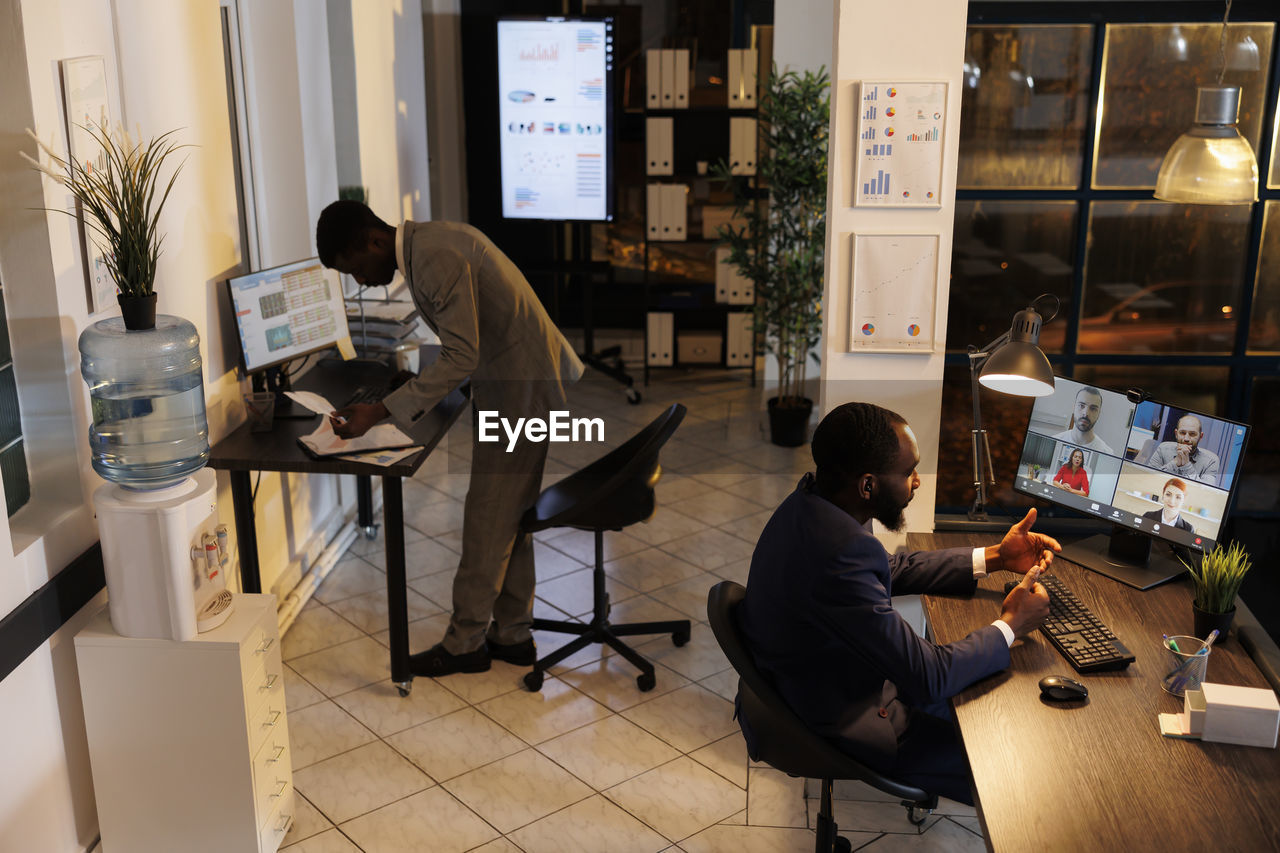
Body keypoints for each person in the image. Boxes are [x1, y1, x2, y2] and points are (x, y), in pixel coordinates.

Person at [738, 402, 1056, 805]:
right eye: (908, 473)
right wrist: (1011, 624)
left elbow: (889, 567)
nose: (917, 482)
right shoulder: (838, 553)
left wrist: (996, 557)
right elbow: (929, 675)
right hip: (844, 721)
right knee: (1019, 772)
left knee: (993, 697)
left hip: (817, 686)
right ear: (868, 486)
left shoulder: (815, 503)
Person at [315, 201, 583, 677]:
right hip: (517, 381)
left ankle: (466, 644)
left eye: (356, 268)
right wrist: (405, 391)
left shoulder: (433, 257)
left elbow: (462, 354)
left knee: (487, 516)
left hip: (520, 389)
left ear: (375, 242)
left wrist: (380, 411)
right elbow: (468, 338)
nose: (359, 280)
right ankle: (513, 633)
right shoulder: (426, 244)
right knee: (508, 514)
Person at [1146, 414, 1220, 486]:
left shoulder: (1211, 461)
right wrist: (1175, 462)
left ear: (1200, 436)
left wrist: (1186, 465)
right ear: (1176, 434)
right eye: (1182, 433)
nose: (1186, 439)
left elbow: (1206, 491)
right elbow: (1148, 478)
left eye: (1192, 434)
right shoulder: (1163, 448)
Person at [1051, 386, 1115, 455]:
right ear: (1074, 407)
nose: (1086, 413)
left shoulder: (1107, 453)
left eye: (1093, 409)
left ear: (1099, 413)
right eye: (1081, 405)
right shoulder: (1054, 441)